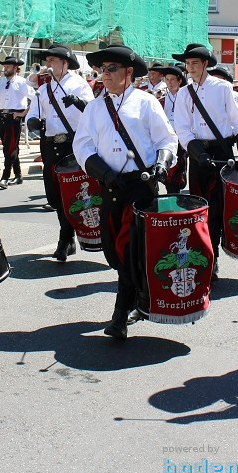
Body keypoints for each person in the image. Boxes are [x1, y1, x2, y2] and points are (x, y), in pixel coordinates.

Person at [73, 45, 176, 339]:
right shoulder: (93, 107)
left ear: (128, 72)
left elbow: (167, 139)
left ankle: (120, 314)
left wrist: (162, 164)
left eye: (111, 69)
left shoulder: (146, 102)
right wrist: (104, 174)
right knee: (113, 250)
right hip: (109, 186)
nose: (104, 74)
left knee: (131, 249)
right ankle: (136, 296)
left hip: (140, 186)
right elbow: (82, 146)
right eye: (102, 70)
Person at [172, 43, 238, 275]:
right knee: (199, 205)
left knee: (219, 206)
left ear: (205, 64)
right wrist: (198, 153)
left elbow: (237, 120)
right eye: (188, 64)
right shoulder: (184, 93)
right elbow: (182, 128)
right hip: (199, 154)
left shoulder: (223, 88)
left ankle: (215, 255)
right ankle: (203, 254)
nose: (190, 68)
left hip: (222, 152)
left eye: (195, 63)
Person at [25, 44, 94, 262]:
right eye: (48, 60)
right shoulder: (44, 88)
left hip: (71, 144)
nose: (48, 64)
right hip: (50, 145)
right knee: (54, 194)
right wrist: (32, 121)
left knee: (70, 192)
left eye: (53, 60)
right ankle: (68, 237)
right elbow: (34, 111)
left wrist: (79, 103)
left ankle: (65, 240)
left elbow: (92, 112)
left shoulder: (79, 84)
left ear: (65, 63)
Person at [0, 56, 32, 187]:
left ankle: (5, 176)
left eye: (8, 66)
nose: (5, 69)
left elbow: (36, 98)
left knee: (9, 148)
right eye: (5, 66)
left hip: (13, 117)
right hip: (2, 115)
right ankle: (18, 175)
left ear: (15, 68)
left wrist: (22, 113)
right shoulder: (2, 81)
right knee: (10, 147)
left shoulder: (21, 82)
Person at [151, 63, 187, 194]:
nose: (170, 83)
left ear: (179, 81)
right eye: (167, 79)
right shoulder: (161, 100)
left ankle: (175, 201)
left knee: (176, 176)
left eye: (173, 79)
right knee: (163, 171)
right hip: (166, 140)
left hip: (181, 141)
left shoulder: (187, 97)